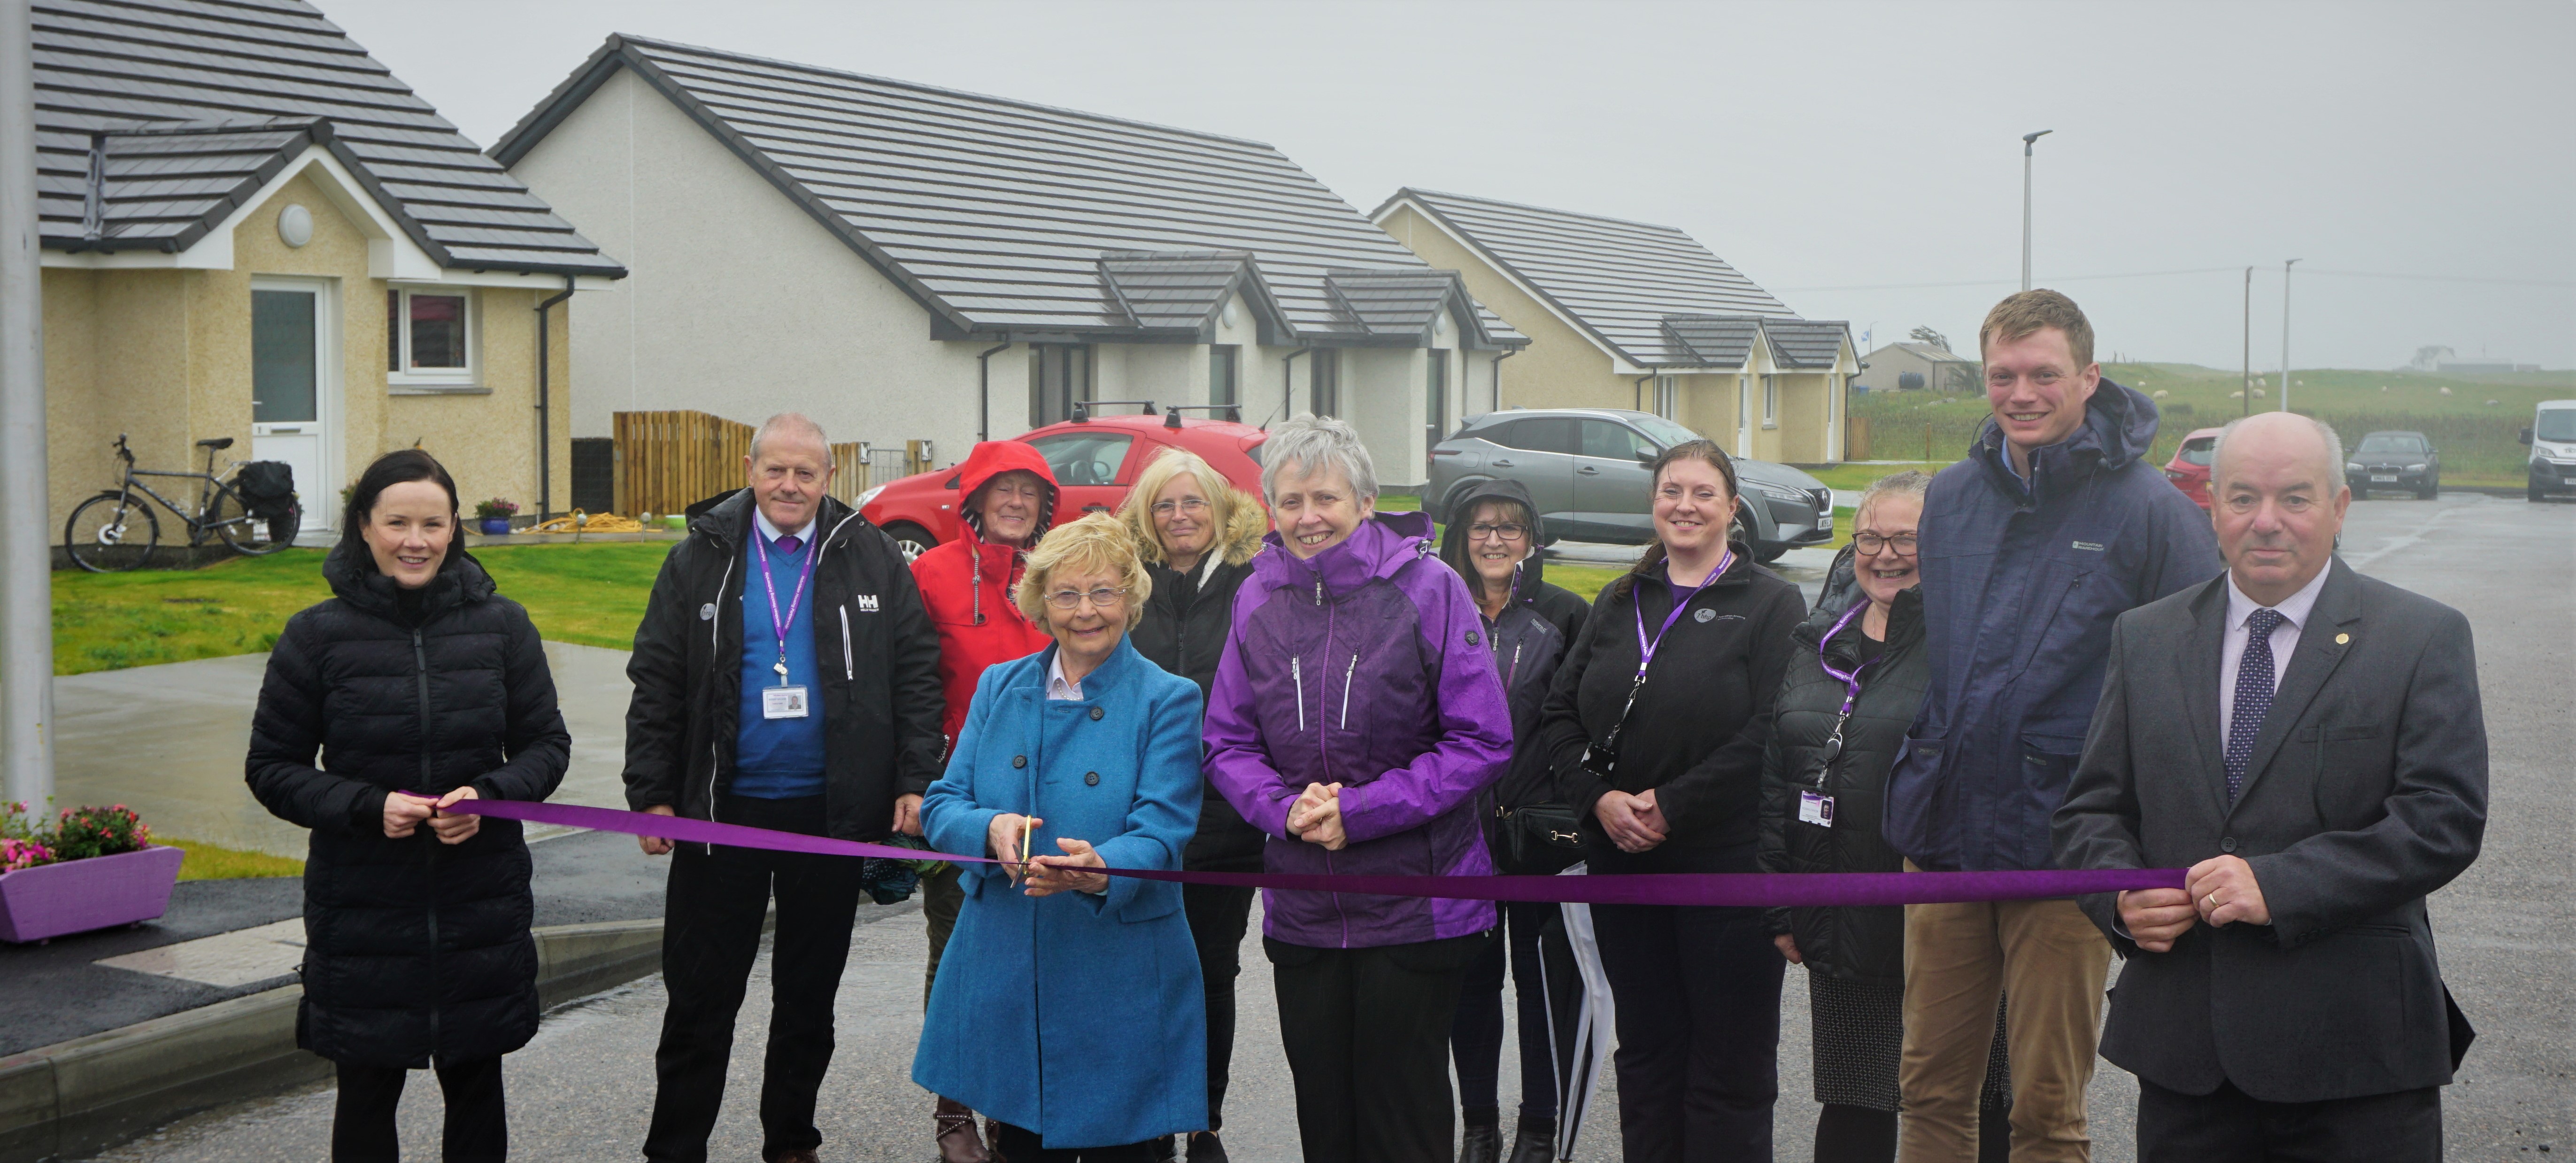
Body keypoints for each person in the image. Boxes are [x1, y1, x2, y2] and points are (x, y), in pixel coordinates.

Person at [2053, 412, 2486, 1163]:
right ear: (2211, 506)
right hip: (2188, 1060)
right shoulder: (2144, 637)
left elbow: (2440, 820)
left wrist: (2278, 885)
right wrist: (2119, 900)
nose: (2266, 523)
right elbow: (2091, 808)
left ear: (2339, 507)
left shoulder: (2419, 637)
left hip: (2356, 1060)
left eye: (2294, 498)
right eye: (2243, 498)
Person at [1881, 290, 2222, 1163]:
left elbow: (2192, 690)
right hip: (1946, 833)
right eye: (2002, 374)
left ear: (2088, 376)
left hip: (2067, 844)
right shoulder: (1950, 499)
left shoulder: (2152, 512)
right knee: (1926, 1090)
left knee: (2045, 1108)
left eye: (2043, 374)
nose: (2021, 392)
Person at [624, 413, 945, 1163]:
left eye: (806, 473)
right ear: (750, 468)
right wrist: (652, 791)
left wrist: (913, 779)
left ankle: (792, 1141)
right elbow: (657, 678)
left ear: (829, 478)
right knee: (701, 999)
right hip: (720, 814)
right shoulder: (699, 557)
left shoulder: (868, 555)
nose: (790, 486)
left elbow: (916, 674)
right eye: (776, 470)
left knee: (807, 999)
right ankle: (675, 1149)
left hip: (828, 815)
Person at [1202, 415, 1513, 1163]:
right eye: (1290, 501)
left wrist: (1362, 811)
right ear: (1270, 510)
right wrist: (1282, 809)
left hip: (1416, 904)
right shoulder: (1256, 598)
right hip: (1303, 907)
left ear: (1365, 502)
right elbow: (1227, 740)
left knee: (1399, 1113)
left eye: (1325, 498)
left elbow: (1481, 738)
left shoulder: (1429, 587)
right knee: (1325, 1113)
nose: (1308, 518)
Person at [246, 448, 570, 1163]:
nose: (414, 540)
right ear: (363, 527)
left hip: (478, 904)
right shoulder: (316, 636)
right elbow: (272, 768)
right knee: (365, 1091)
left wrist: (490, 797)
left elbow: (546, 746)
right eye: (397, 522)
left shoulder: (504, 628)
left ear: (455, 528)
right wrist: (367, 805)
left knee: (477, 1086)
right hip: (363, 909)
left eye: (432, 523)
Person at [1533, 439, 1807, 1162]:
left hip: (1725, 866)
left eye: (1702, 493)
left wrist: (1673, 805)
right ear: (1653, 503)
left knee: (1729, 1062)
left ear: (1732, 508)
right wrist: (1598, 802)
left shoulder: (1772, 604)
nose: (1684, 506)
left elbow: (1773, 731)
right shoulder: (1621, 598)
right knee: (1648, 1051)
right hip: (1619, 860)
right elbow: (1559, 715)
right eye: (1670, 491)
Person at [912, 513, 1208, 1161]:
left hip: (1119, 966)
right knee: (1022, 1141)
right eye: (1067, 593)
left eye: (1103, 592)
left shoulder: (1169, 698)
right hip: (1012, 957)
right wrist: (988, 828)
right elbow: (942, 805)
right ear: (1040, 600)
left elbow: (1164, 830)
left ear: (1130, 599)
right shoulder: (999, 686)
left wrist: (1102, 867)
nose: (1085, 611)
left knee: (1126, 1148)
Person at [1756, 473, 2014, 1163]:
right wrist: (1781, 902)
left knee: (1975, 1107)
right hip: (1843, 922)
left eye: (1908, 537)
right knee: (1855, 1108)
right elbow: (1775, 772)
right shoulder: (1816, 641)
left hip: (1951, 922)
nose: (1885, 553)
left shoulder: (1978, 642)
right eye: (1870, 536)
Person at [908, 439, 1061, 1162]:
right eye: (1001, 491)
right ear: (973, 499)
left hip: (1054, 795)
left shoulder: (1056, 575)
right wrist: (912, 780)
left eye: (1028, 492)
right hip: (963, 795)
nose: (1014, 504)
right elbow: (908, 684)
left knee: (1030, 957)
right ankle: (953, 1107)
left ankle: (1012, 1107)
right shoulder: (932, 575)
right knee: (957, 953)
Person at [1117, 448, 1269, 1163]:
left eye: (1193, 502)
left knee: (1211, 970)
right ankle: (1146, 1114)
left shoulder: (1255, 581)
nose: (1180, 517)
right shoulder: (1124, 583)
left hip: (1227, 813)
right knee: (1138, 967)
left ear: (1219, 508)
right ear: (1147, 516)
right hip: (1134, 811)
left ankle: (1202, 1117)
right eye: (1165, 505)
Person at [1435, 479, 1588, 1163]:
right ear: (1458, 537)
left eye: (1510, 527)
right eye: (1480, 527)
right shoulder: (1433, 607)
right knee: (1469, 982)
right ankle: (1478, 1124)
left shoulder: (1566, 614)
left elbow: (1582, 720)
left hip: (1540, 838)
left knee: (1542, 986)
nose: (1494, 540)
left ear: (1532, 539)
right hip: (1455, 835)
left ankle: (1538, 1125)